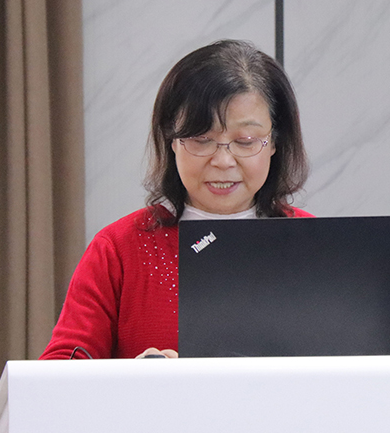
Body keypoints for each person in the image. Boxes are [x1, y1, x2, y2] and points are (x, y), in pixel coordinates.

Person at [40, 39, 311, 360]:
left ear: (275, 142)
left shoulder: (313, 242)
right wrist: (133, 377)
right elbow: (59, 368)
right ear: (171, 140)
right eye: (201, 139)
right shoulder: (120, 249)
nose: (223, 161)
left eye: (246, 141)